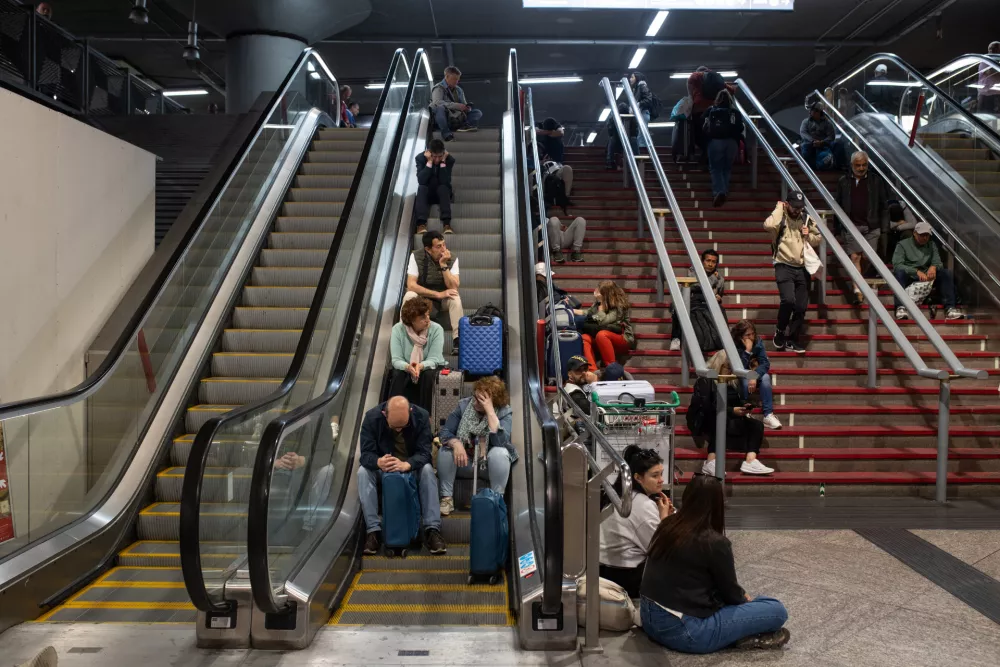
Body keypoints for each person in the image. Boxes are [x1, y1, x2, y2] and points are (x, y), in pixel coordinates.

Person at [640, 474, 790, 654]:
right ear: (718, 504)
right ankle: (738, 634)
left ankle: (736, 631)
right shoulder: (715, 542)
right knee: (776, 609)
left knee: (749, 603)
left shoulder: (667, 525)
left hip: (650, 620)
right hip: (687, 632)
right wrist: (743, 597)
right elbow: (731, 594)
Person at [357, 396, 447, 556]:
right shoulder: (372, 418)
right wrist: (378, 462)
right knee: (363, 472)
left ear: (410, 412)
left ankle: (432, 529)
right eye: (394, 427)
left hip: (411, 466)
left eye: (403, 426)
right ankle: (373, 531)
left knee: (427, 470)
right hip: (385, 466)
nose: (398, 430)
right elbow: (365, 455)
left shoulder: (422, 416)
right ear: (385, 414)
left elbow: (425, 453)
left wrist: (408, 464)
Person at [599, 446, 675, 599]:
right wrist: (665, 518)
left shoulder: (619, 494)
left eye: (661, 474)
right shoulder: (642, 505)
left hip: (603, 570)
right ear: (638, 478)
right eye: (655, 476)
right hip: (625, 578)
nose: (661, 480)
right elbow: (663, 549)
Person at [436, 377, 516, 516]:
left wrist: (490, 412)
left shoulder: (504, 412)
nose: (475, 401)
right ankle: (446, 498)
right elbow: (445, 432)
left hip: (488, 465)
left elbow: (501, 442)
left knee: (500, 453)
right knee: (446, 449)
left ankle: (496, 500)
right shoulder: (463, 405)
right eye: (475, 396)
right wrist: (456, 443)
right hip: (463, 461)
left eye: (481, 400)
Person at [687, 351, 773, 476]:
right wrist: (732, 411)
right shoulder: (706, 380)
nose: (731, 371)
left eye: (732, 368)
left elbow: (736, 401)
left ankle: (751, 460)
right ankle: (710, 461)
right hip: (707, 418)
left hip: (729, 416)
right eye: (728, 367)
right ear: (719, 365)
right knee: (720, 420)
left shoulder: (731, 381)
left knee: (757, 425)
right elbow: (707, 407)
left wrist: (745, 406)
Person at [765, 191, 821, 354]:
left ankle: (792, 340)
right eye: (795, 207)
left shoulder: (806, 219)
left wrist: (808, 235)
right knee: (788, 300)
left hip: (802, 267)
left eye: (800, 207)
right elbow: (768, 226)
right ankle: (780, 330)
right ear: (787, 204)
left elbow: (818, 238)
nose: (797, 210)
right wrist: (778, 207)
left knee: (801, 306)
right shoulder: (779, 218)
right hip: (783, 265)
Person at [835, 151, 889, 305]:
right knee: (855, 257)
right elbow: (837, 205)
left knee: (867, 258)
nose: (861, 168)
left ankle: (860, 280)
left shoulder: (876, 181)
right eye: (858, 165)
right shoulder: (843, 181)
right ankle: (857, 289)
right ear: (852, 165)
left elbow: (884, 205)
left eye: (864, 165)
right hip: (851, 226)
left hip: (872, 226)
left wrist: (884, 229)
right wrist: (837, 229)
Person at [892, 222, 964, 321]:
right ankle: (900, 307)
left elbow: (938, 262)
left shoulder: (931, 245)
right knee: (899, 273)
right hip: (910, 275)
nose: (925, 238)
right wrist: (915, 271)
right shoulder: (902, 245)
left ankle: (950, 309)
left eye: (927, 235)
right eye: (922, 235)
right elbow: (897, 265)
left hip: (928, 276)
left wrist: (933, 267)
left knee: (945, 273)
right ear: (915, 233)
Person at [404, 231, 462, 351]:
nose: (443, 249)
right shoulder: (416, 256)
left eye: (444, 245)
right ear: (428, 249)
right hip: (423, 297)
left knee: (455, 297)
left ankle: (458, 340)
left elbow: (453, 286)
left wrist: (443, 265)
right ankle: (405, 336)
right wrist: (437, 294)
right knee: (409, 295)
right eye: (438, 246)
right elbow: (411, 285)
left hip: (444, 297)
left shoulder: (452, 258)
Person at [389, 297, 446, 413]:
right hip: (407, 366)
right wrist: (408, 367)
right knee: (397, 374)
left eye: (428, 315)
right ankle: (395, 414)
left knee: (428, 375)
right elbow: (396, 359)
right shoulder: (398, 329)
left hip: (429, 366)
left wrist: (420, 366)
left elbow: (434, 359)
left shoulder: (436, 329)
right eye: (422, 317)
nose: (427, 319)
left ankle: (426, 416)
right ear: (411, 320)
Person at [670, 249, 725, 352]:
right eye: (708, 260)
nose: (710, 264)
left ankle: (718, 340)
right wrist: (713, 278)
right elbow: (699, 285)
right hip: (691, 300)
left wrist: (718, 297)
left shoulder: (720, 278)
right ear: (702, 261)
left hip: (707, 304)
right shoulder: (692, 271)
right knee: (677, 306)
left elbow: (719, 292)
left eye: (713, 262)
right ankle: (676, 338)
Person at [574, 281, 636, 371]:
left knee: (602, 334)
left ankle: (612, 369)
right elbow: (588, 312)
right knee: (584, 337)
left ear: (605, 294)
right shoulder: (599, 303)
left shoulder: (619, 306)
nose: (595, 291)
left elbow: (604, 321)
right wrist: (571, 311)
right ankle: (593, 371)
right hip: (601, 338)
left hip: (622, 338)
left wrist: (601, 305)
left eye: (599, 290)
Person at [731, 319, 781, 430]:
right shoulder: (734, 344)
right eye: (748, 335)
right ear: (740, 336)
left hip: (754, 373)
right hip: (739, 375)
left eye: (753, 333)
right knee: (744, 381)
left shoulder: (758, 341)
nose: (751, 337)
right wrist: (747, 351)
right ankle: (745, 410)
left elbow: (765, 363)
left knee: (766, 377)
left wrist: (754, 375)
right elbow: (738, 368)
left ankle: (768, 415)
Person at [703, 90, 744, 207]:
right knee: (727, 168)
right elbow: (740, 128)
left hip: (716, 142)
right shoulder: (735, 112)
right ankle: (724, 192)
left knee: (716, 168)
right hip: (732, 143)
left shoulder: (711, 110)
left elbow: (704, 125)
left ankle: (719, 192)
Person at [687, 67, 735, 156]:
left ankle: (706, 153)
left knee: (698, 133)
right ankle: (710, 154)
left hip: (699, 108)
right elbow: (731, 90)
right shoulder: (716, 78)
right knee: (711, 132)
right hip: (713, 110)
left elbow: (689, 88)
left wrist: (691, 98)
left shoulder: (695, 75)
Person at [414, 139, 455, 234]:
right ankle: (421, 224)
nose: (437, 160)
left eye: (440, 156)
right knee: (422, 188)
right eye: (434, 156)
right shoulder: (420, 158)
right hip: (427, 193)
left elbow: (445, 181)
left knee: (443, 188)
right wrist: (429, 162)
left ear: (444, 153)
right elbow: (421, 180)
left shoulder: (449, 160)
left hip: (442, 193)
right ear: (428, 153)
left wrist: (443, 162)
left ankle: (447, 224)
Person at [430, 66, 482, 142]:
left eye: (458, 79)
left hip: (458, 117)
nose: (457, 81)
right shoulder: (438, 88)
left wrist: (467, 107)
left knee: (477, 112)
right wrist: (457, 106)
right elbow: (437, 102)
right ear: (447, 77)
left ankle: (464, 125)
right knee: (439, 108)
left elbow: (463, 103)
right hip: (446, 118)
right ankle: (446, 134)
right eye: (454, 79)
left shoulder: (459, 89)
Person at [798, 102, 842, 171]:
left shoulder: (827, 123)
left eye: (813, 110)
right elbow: (803, 133)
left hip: (823, 146)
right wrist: (812, 141)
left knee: (827, 157)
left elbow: (831, 136)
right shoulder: (806, 122)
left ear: (819, 112)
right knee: (805, 150)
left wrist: (822, 142)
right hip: (809, 145)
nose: (810, 112)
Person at [629, 71, 655, 151]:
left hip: (643, 113)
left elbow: (648, 99)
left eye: (632, 77)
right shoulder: (636, 88)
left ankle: (643, 151)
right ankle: (642, 150)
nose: (630, 79)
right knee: (640, 134)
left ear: (637, 77)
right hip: (641, 113)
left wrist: (638, 104)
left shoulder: (642, 86)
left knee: (641, 134)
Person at [977, 42, 1000, 114]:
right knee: (984, 120)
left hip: (996, 95)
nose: (992, 50)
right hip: (986, 96)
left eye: (995, 48)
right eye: (990, 48)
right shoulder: (985, 61)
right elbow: (992, 72)